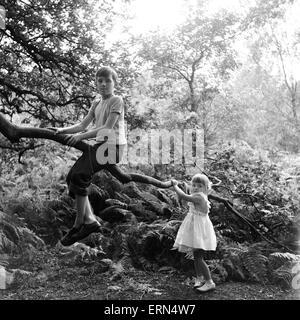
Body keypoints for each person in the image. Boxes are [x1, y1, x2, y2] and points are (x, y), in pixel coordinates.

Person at [50, 66, 171, 246]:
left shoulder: (117, 100)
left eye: (108, 81)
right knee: (72, 177)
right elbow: (83, 125)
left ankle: (78, 224)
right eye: (100, 81)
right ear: (96, 83)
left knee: (80, 175)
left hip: (113, 147)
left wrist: (80, 138)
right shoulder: (96, 103)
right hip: (101, 145)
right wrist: (62, 130)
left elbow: (106, 128)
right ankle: (89, 221)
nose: (103, 84)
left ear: (114, 83)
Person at [171, 174, 217, 292]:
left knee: (199, 258)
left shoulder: (199, 197)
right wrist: (184, 185)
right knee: (196, 257)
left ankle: (209, 282)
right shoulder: (199, 195)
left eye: (200, 186)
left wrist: (175, 186)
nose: (196, 188)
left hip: (200, 232)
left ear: (206, 188)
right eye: (194, 185)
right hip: (196, 230)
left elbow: (183, 196)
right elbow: (189, 193)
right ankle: (200, 278)